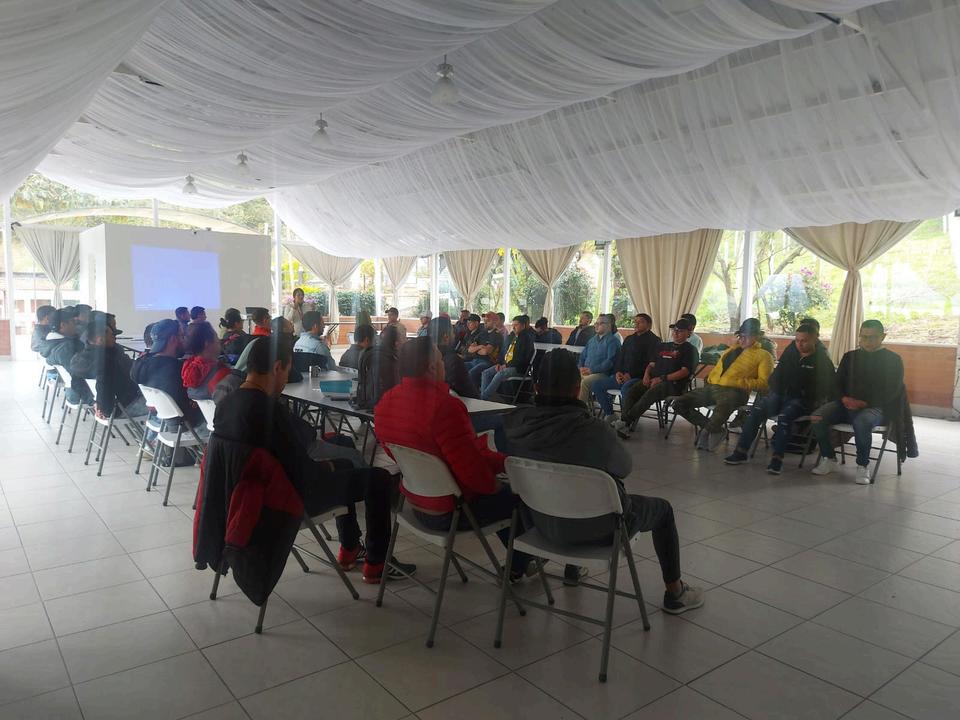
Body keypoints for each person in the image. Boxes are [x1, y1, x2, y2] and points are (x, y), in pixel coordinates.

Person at [502, 349, 705, 611]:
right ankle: (676, 593)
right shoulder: (594, 431)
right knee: (662, 510)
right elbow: (624, 467)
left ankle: (566, 568)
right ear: (578, 389)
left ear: (536, 387)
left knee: (564, 488)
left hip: (540, 525)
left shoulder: (514, 426)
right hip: (598, 530)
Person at [213, 334, 414, 583]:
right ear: (277, 367)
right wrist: (329, 466)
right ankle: (377, 563)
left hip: (245, 494)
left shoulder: (228, 403)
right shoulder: (268, 412)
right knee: (379, 478)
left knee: (345, 458)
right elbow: (303, 471)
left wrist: (333, 465)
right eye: (287, 370)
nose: (286, 379)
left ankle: (350, 547)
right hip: (288, 498)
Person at [375, 337, 535, 579]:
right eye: (441, 360)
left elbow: (396, 452)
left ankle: (522, 564)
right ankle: (521, 565)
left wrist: (499, 463)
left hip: (414, 504)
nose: (444, 365)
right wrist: (497, 483)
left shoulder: (386, 403)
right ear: (431, 367)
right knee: (517, 497)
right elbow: (472, 471)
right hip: (450, 512)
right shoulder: (445, 407)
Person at [724, 323, 835, 474]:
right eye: (797, 340)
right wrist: (776, 390)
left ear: (815, 339)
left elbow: (825, 388)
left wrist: (803, 393)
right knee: (757, 410)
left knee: (785, 417)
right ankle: (741, 452)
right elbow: (776, 376)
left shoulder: (823, 361)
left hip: (803, 401)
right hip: (780, 395)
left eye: (804, 341)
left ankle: (777, 459)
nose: (800, 344)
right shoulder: (791, 352)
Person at [809, 319, 904, 484]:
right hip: (845, 403)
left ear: (883, 337)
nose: (867, 341)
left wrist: (864, 403)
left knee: (862, 422)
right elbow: (836, 383)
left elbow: (892, 391)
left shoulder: (893, 360)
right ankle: (829, 458)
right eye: (864, 337)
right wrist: (844, 398)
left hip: (875, 407)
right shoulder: (850, 357)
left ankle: (862, 465)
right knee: (817, 417)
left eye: (872, 337)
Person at [672, 318, 774, 451]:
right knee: (679, 403)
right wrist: (711, 379)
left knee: (724, 403)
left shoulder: (764, 356)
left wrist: (737, 382)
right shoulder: (730, 351)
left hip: (736, 391)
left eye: (746, 337)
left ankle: (707, 431)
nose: (742, 340)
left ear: (756, 337)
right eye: (740, 336)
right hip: (715, 387)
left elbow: (764, 384)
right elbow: (717, 371)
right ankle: (714, 429)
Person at [614, 319, 697, 438]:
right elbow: (651, 364)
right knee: (632, 390)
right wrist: (646, 375)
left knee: (650, 394)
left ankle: (625, 421)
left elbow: (684, 372)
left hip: (672, 384)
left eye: (680, 331)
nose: (676, 333)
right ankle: (625, 423)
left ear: (688, 333)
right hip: (653, 379)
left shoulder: (690, 350)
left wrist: (662, 378)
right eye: (674, 330)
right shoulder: (663, 346)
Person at [71, 311, 148, 418]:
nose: (115, 338)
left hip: (107, 406)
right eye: (112, 335)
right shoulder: (109, 360)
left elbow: (76, 384)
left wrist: (94, 403)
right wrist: (104, 410)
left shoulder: (78, 359)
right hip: (125, 407)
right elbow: (104, 386)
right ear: (100, 339)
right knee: (161, 404)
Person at [131, 318, 203, 427]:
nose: (184, 340)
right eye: (182, 336)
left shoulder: (142, 364)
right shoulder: (178, 369)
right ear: (173, 339)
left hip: (161, 420)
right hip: (187, 424)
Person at [591, 313, 660, 421]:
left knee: (626, 388)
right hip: (622, 376)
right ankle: (610, 414)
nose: (636, 324)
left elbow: (651, 364)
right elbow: (620, 359)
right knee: (597, 385)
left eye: (640, 322)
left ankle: (626, 420)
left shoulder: (655, 341)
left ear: (649, 325)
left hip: (640, 378)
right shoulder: (629, 339)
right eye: (635, 321)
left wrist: (631, 375)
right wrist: (618, 373)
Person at [479, 315, 535, 401]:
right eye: (513, 325)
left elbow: (521, 359)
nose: (513, 327)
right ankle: (484, 397)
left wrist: (506, 365)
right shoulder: (512, 337)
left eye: (516, 325)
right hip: (505, 364)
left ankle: (483, 398)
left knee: (500, 374)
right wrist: (499, 363)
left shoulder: (526, 339)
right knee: (486, 373)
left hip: (518, 368)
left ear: (523, 326)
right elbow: (504, 352)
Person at [429, 315, 478, 398]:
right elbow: (470, 393)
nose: (454, 336)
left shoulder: (423, 356)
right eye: (452, 333)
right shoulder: (454, 361)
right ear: (446, 337)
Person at [181, 322, 232, 401]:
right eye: (216, 339)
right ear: (207, 343)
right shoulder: (224, 374)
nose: (219, 342)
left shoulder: (188, 370)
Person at [576, 314, 619, 406]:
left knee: (585, 382)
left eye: (601, 323)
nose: (596, 325)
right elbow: (582, 356)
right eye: (596, 323)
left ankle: (580, 408)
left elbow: (610, 362)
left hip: (603, 374)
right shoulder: (592, 340)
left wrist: (592, 370)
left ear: (609, 325)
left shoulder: (613, 341)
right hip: (586, 371)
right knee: (571, 377)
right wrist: (580, 367)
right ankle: (570, 406)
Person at [43, 308, 86, 402]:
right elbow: (79, 375)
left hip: (72, 389)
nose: (76, 325)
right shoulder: (66, 348)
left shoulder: (51, 342)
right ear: (63, 325)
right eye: (73, 322)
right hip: (79, 392)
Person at [357, 324, 401, 410]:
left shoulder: (369, 353)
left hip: (368, 401)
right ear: (396, 342)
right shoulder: (391, 357)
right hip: (385, 404)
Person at [466, 314, 501, 388]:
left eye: (488, 321)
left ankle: (474, 393)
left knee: (471, 373)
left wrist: (476, 349)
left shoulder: (496, 335)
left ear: (495, 322)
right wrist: (480, 346)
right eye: (484, 320)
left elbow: (486, 352)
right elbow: (470, 349)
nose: (485, 322)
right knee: (459, 367)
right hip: (475, 360)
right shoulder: (482, 333)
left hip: (488, 362)